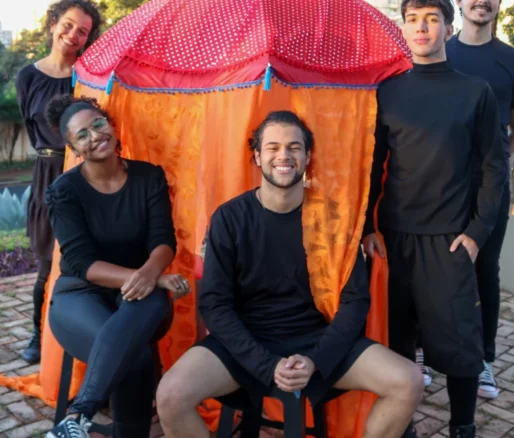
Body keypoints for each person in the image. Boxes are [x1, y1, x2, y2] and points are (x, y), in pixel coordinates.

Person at [156, 111, 424, 438]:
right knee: (170, 396)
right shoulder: (229, 218)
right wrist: (266, 365)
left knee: (407, 381)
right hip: (247, 341)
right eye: (273, 147)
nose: (284, 155)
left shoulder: (332, 220)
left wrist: (316, 360)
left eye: (294, 147)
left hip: (317, 339)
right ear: (257, 156)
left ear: (308, 156)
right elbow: (214, 304)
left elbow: (355, 301)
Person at [363, 0, 507, 438]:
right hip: (395, 237)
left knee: (461, 346)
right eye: (412, 19)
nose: (421, 27)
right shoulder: (388, 92)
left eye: (431, 18)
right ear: (403, 28)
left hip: (450, 239)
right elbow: (373, 166)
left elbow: (494, 169)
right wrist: (367, 226)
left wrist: (477, 233)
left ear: (449, 27)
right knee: (398, 341)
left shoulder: (475, 92)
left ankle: (462, 427)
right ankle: (402, 425)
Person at [42, 94, 190, 438]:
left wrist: (150, 275)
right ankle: (86, 417)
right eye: (82, 135)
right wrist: (150, 277)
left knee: (137, 328)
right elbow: (80, 262)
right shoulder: (64, 190)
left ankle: (77, 416)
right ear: (73, 149)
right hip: (80, 294)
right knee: (134, 355)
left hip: (140, 295)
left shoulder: (148, 177)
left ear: (111, 125)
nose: (95, 136)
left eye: (98, 124)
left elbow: (163, 240)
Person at [445, 0, 514, 399]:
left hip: (489, 186)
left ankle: (483, 358)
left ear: (499, 4)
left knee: (485, 268)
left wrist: (495, 166)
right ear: (460, 2)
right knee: (433, 265)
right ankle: (422, 349)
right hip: (440, 183)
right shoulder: (439, 52)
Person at [16, 0, 102, 365]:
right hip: (46, 175)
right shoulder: (28, 76)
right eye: (68, 25)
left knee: (84, 259)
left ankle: (83, 336)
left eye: (82, 31)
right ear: (53, 25)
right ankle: (39, 334)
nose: (73, 35)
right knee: (46, 262)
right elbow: (32, 127)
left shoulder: (89, 75)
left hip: (83, 171)